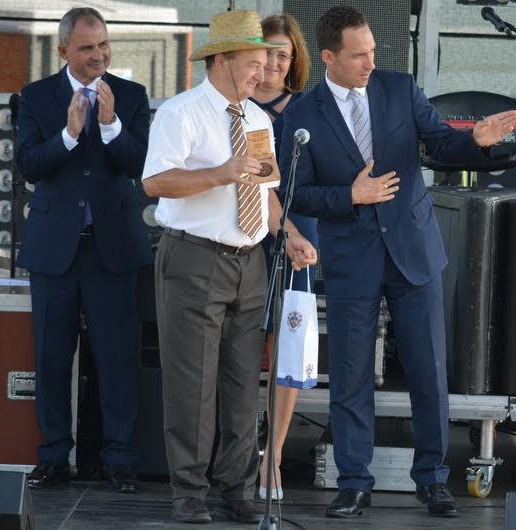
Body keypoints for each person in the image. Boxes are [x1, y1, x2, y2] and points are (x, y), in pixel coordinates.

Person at [279, 5, 516, 519]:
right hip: (351, 258)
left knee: (430, 371)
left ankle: (433, 481)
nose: (371, 61)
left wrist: (474, 141)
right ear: (328, 57)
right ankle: (353, 482)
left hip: (413, 250)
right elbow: (296, 192)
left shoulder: (399, 87)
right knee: (349, 374)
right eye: (358, 54)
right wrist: (351, 195)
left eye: (373, 51)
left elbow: (440, 144)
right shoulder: (301, 114)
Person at [141, 10, 317, 525]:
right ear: (221, 60)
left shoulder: (258, 120)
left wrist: (289, 234)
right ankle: (189, 493)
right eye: (253, 64)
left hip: (249, 261)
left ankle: (235, 489)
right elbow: (155, 183)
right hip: (194, 256)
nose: (262, 74)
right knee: (193, 383)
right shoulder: (182, 112)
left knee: (243, 381)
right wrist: (220, 173)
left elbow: (265, 192)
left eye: (265, 64)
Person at [15, 6, 151, 494]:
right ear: (64, 51)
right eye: (87, 48)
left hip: (112, 248)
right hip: (55, 250)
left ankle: (120, 458)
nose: (98, 56)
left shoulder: (131, 95)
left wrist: (111, 125)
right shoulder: (35, 96)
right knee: (52, 358)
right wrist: (70, 134)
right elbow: (30, 165)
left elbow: (141, 165)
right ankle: (53, 455)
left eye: (104, 45)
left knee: (117, 359)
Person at [249, 13, 315, 502]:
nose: (273, 60)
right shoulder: (233, 106)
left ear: (295, 62)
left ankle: (272, 454)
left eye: (283, 53)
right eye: (267, 49)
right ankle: (233, 452)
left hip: (297, 236)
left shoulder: (309, 109)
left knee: (285, 348)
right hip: (241, 234)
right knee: (240, 346)